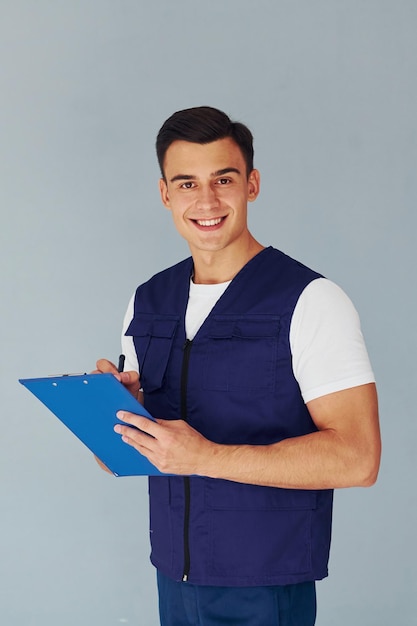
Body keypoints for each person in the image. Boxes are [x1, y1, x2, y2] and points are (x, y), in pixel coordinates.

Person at [96, 106, 381, 626]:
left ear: (251, 184)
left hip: (265, 586)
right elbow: (139, 456)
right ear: (165, 194)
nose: (206, 201)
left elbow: (358, 459)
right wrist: (116, 418)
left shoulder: (311, 300)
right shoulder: (147, 301)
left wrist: (205, 457)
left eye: (222, 179)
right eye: (186, 184)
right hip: (175, 578)